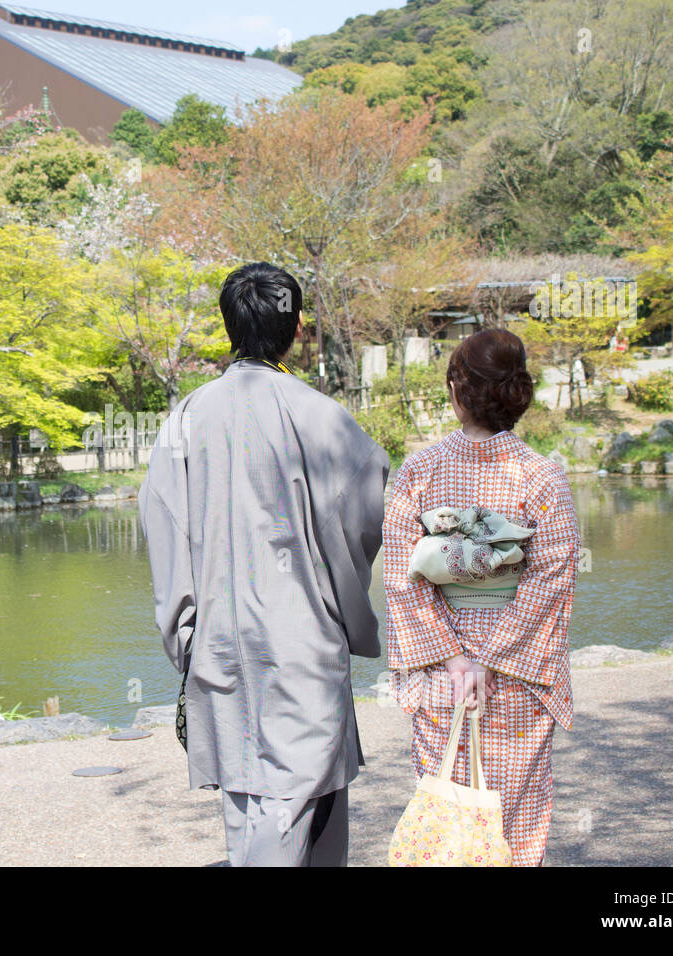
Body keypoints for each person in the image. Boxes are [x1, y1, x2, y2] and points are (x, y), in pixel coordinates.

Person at [138, 262, 390, 867]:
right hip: (302, 639)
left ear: (229, 325)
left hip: (221, 640)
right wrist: (343, 607)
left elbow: (163, 525)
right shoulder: (323, 418)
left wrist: (185, 630)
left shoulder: (186, 419)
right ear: (298, 328)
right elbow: (363, 517)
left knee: (254, 802)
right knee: (296, 808)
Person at [381, 327, 580, 867]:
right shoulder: (543, 476)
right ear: (518, 395)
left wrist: (456, 656)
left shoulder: (417, 472)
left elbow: (403, 578)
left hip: (442, 675)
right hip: (516, 675)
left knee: (448, 810)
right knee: (512, 813)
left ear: (456, 390)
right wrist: (491, 658)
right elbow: (550, 580)